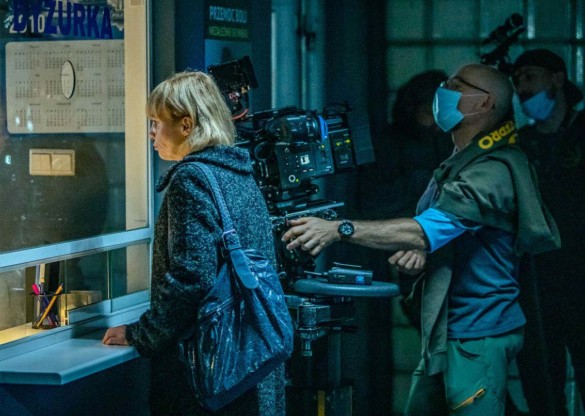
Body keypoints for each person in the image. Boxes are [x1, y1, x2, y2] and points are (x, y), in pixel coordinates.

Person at [282, 63, 560, 415]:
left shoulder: (492, 171)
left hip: (476, 336)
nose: (445, 90)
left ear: (484, 103)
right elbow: (453, 232)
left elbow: (424, 229)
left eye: (457, 85)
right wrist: (425, 253)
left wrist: (338, 229)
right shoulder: (462, 159)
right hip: (445, 333)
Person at [102, 71, 286, 416]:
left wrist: (143, 334)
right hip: (249, 369)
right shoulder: (238, 173)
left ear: (186, 125)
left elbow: (192, 276)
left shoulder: (191, 179)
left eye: (157, 123)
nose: (151, 133)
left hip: (207, 374)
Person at [511, 49, 585, 415]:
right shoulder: (522, 145)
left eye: (530, 76)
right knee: (541, 386)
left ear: (557, 78)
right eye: (517, 81)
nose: (522, 88)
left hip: (581, 276)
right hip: (536, 281)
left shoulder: (581, 133)